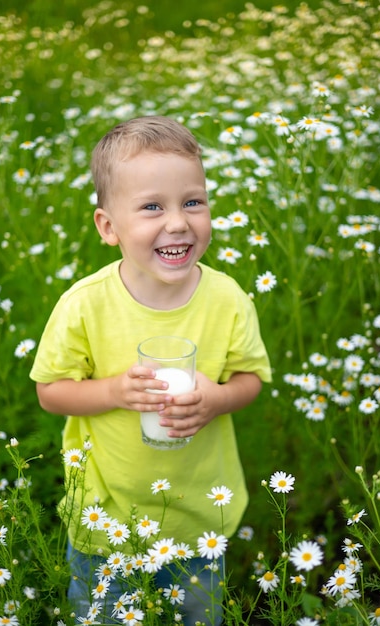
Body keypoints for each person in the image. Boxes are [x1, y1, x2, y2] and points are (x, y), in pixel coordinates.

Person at [30, 116, 271, 625]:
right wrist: (116, 390)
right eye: (151, 207)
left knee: (199, 617)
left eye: (193, 201)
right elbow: (51, 392)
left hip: (200, 520)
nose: (179, 222)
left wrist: (218, 399)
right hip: (108, 523)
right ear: (109, 227)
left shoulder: (227, 299)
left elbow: (250, 379)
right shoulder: (85, 305)